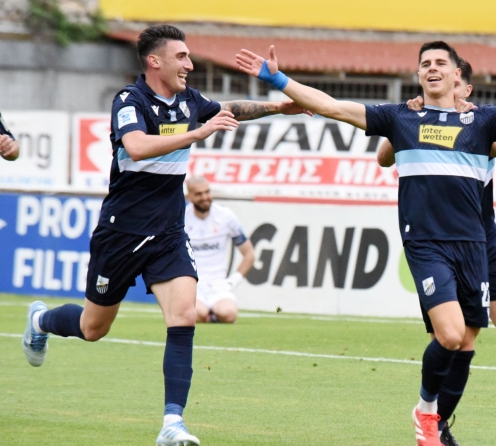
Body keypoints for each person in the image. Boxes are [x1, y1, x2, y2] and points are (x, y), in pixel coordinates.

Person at [236, 40, 496, 446]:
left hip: (475, 244)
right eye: (425, 63)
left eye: (440, 63)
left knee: (475, 339)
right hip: (426, 243)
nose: (432, 68)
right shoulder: (401, 116)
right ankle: (427, 412)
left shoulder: (482, 121)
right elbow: (332, 106)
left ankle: (476, 422)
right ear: (418, 75)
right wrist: (277, 78)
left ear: (456, 75)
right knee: (449, 335)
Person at [21, 24, 310, 446]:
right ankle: (40, 320)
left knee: (184, 316)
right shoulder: (129, 100)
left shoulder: (190, 101)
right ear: (154, 61)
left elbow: (229, 108)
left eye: (189, 56)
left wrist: (280, 108)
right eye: (182, 57)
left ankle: (172, 424)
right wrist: (196, 134)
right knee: (93, 327)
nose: (189, 64)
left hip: (169, 233)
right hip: (121, 233)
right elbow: (137, 146)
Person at [378, 60, 496, 446]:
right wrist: (412, 119)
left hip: (486, 241)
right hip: (443, 241)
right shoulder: (421, 121)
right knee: (460, 339)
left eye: (458, 82)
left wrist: (465, 117)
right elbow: (384, 157)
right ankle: (436, 421)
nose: (448, 85)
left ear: (465, 89)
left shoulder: (480, 124)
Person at [185, 176, 254, 323]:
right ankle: (207, 314)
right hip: (192, 285)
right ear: (189, 196)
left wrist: (232, 282)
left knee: (228, 314)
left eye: (207, 192)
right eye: (198, 194)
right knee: (197, 314)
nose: (205, 197)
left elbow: (249, 254)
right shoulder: (181, 219)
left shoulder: (225, 216)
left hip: (218, 285)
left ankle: (212, 314)